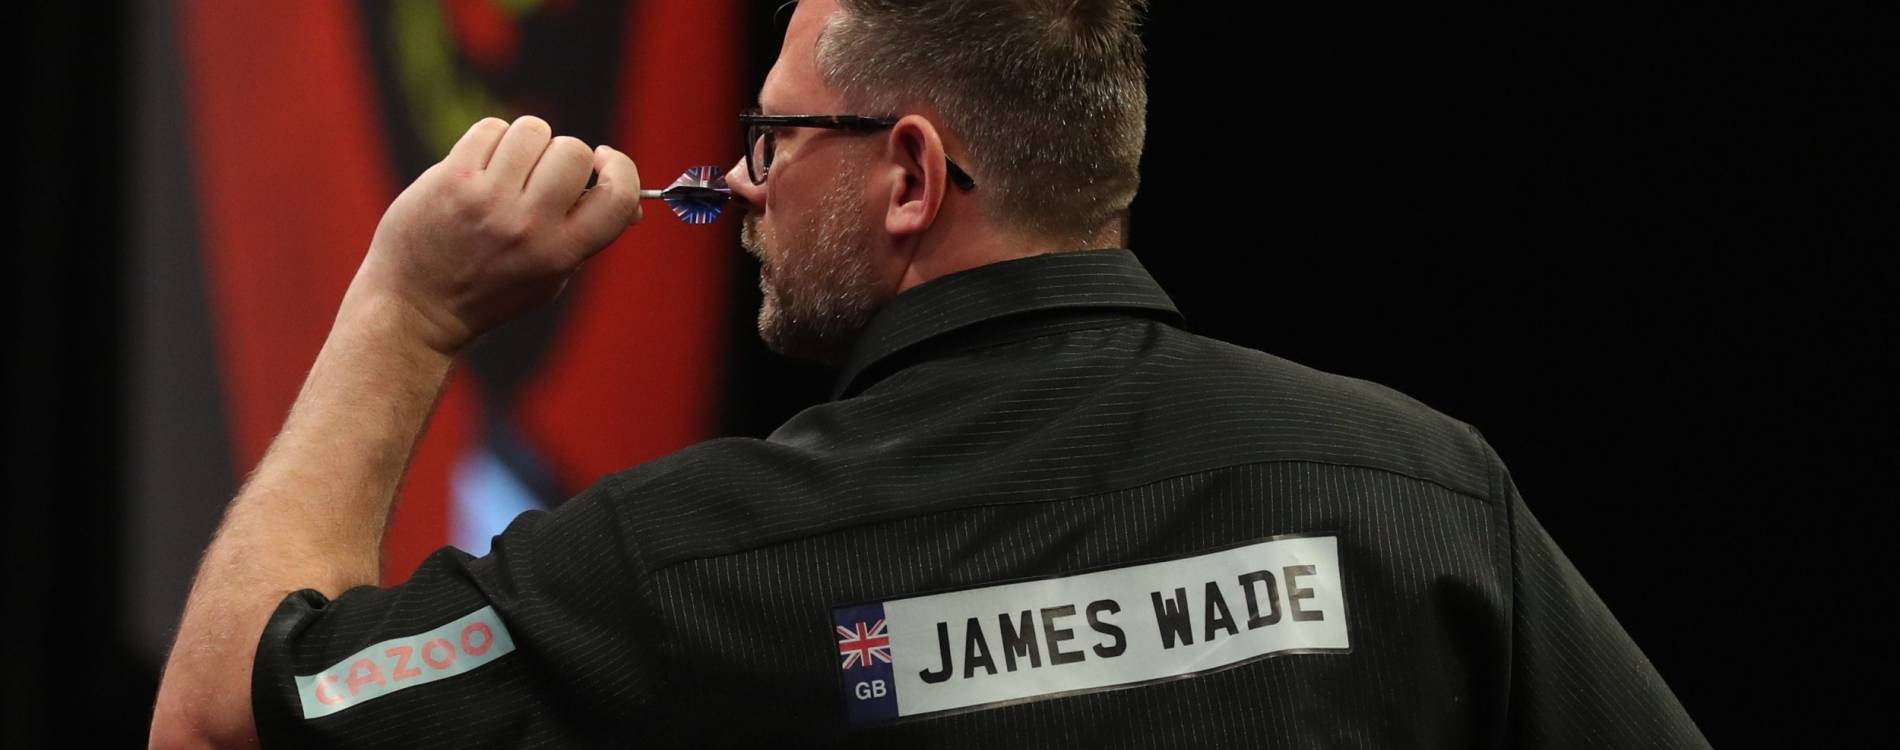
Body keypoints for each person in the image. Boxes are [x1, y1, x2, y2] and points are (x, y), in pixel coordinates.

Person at [151, 0, 1708, 746]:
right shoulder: (1415, 501)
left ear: (909, 173)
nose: (741, 184)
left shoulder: (695, 567)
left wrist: (407, 307)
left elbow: (223, 715)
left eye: (773, 135)